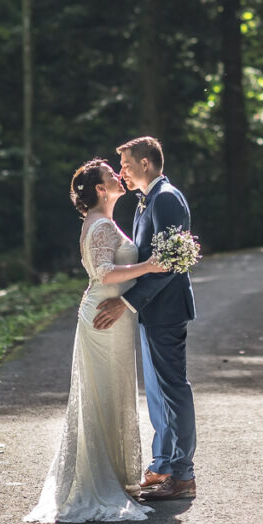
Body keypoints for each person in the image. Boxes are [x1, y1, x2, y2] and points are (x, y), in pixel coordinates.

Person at [24, 158, 165, 523]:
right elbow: (103, 272)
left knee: (112, 393)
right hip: (104, 316)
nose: (118, 176)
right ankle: (102, 482)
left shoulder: (104, 221)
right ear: (101, 189)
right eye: (110, 174)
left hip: (109, 313)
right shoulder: (101, 224)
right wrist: (149, 266)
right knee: (104, 394)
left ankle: (116, 477)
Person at [93, 136, 197, 501]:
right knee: (156, 393)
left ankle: (183, 477)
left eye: (126, 164)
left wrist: (127, 303)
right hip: (152, 311)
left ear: (147, 164)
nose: (122, 171)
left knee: (173, 390)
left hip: (165, 310)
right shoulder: (146, 201)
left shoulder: (166, 198)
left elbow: (170, 262)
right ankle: (164, 465)